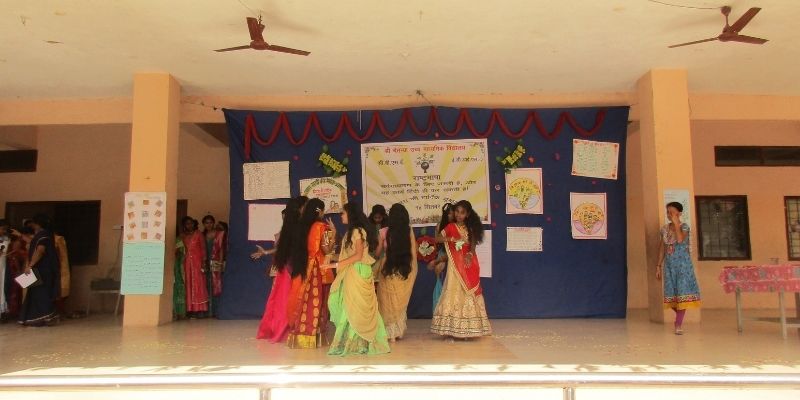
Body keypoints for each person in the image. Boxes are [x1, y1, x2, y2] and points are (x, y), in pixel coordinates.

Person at [323, 202, 390, 356]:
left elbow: (358, 256)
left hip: (357, 272)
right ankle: (356, 342)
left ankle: (356, 343)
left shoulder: (357, 232)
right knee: (351, 306)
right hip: (354, 270)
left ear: (350, 214)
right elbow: (348, 255)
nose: (341, 216)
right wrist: (331, 257)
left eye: (343, 213)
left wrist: (335, 265)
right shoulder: (352, 232)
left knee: (354, 307)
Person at [431, 200, 491, 338]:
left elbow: (473, 245)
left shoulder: (470, 228)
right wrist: (451, 238)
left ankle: (470, 328)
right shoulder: (451, 226)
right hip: (454, 267)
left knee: (468, 291)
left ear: (467, 214)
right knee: (454, 292)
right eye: (457, 212)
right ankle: (451, 328)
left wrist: (470, 254)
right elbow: (437, 239)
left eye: (462, 212)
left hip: (468, 263)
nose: (458, 215)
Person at [286, 198, 336, 349]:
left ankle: (300, 333)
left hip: (304, 267)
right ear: (320, 211)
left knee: (304, 301)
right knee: (318, 302)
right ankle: (315, 335)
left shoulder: (302, 226)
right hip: (318, 269)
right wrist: (334, 234)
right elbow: (326, 250)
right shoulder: (322, 227)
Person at [252, 198, 302, 342]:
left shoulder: (290, 229)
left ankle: (282, 327)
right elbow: (282, 249)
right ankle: (284, 328)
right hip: (289, 268)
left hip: (287, 267)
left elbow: (282, 249)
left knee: (280, 298)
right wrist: (266, 252)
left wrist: (266, 252)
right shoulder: (291, 229)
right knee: (284, 299)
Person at [656, 201, 701, 335]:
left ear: (679, 213)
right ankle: (679, 317)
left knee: (682, 294)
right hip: (670, 266)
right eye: (668, 212)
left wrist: (676, 224)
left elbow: (680, 240)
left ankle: (678, 324)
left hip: (683, 266)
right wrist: (658, 266)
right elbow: (662, 249)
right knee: (671, 296)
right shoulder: (664, 229)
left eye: (672, 212)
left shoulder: (684, 227)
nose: (669, 214)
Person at [376, 203, 417, 341]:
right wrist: (412, 270)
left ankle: (389, 334)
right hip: (403, 269)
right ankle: (397, 332)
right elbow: (413, 252)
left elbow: (378, 253)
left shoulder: (383, 232)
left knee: (387, 302)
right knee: (399, 301)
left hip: (388, 269)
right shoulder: (408, 231)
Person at [18, 214, 60, 327]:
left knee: (41, 293)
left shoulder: (43, 235)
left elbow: (40, 251)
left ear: (38, 224)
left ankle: (44, 316)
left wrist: (30, 265)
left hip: (42, 269)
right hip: (43, 269)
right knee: (37, 292)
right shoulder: (45, 234)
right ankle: (39, 318)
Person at [428, 203, 453, 313]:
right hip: (443, 255)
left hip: (454, 256)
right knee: (441, 283)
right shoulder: (439, 226)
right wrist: (440, 260)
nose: (451, 216)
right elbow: (437, 241)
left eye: (453, 213)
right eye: (449, 214)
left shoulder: (457, 226)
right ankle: (440, 313)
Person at [181, 217, 208, 317]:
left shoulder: (199, 234)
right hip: (187, 263)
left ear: (194, 224)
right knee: (189, 283)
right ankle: (190, 309)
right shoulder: (183, 236)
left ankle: (200, 309)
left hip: (198, 262)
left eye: (191, 223)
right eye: (187, 224)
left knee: (199, 284)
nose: (190, 225)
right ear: (185, 225)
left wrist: (204, 262)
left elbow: (203, 248)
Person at [202, 215, 225, 318]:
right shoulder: (202, 235)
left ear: (213, 223)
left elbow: (221, 249)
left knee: (216, 286)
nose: (209, 224)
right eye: (206, 223)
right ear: (203, 224)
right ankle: (208, 311)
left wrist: (220, 263)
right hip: (205, 262)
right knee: (207, 285)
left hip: (216, 262)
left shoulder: (219, 234)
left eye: (210, 222)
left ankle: (217, 311)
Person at [3, 234, 27, 321]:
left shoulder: (19, 252)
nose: (17, 245)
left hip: (17, 274)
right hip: (14, 274)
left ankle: (16, 312)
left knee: (16, 293)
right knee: (14, 293)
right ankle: (14, 312)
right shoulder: (13, 253)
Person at [53, 231, 70, 316]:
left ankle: (59, 312)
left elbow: (58, 255)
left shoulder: (58, 240)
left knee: (61, 292)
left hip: (58, 269)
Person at [0, 220, 10, 316]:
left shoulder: (6, 239)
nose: (4, 231)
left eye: (5, 229)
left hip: (2, 266)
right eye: (3, 229)